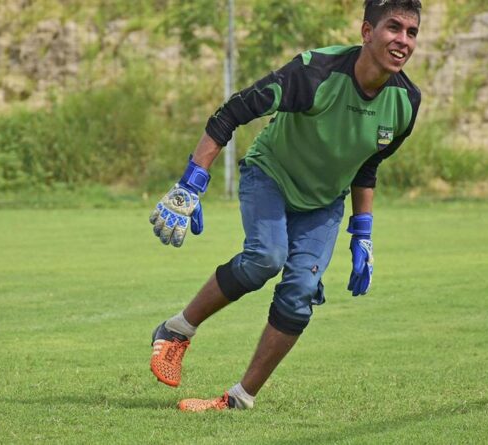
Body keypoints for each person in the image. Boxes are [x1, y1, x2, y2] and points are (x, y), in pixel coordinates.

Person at [148, 0, 422, 412]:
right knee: (266, 257)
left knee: (301, 293)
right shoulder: (316, 72)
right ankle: (176, 331)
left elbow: (368, 162)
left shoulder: (406, 103)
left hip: (324, 201)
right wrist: (192, 182)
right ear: (367, 32)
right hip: (271, 176)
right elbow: (232, 113)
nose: (402, 40)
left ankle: (239, 400)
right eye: (393, 28)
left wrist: (362, 233)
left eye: (412, 32)